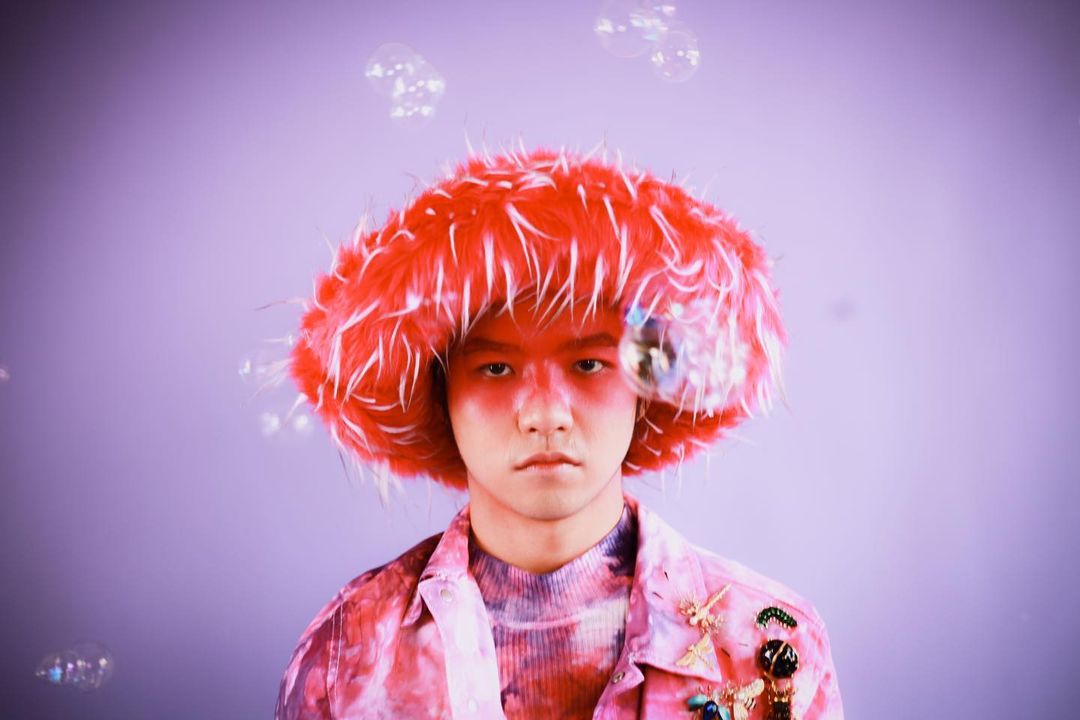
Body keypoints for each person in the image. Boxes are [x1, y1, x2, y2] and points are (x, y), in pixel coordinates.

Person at [274, 144, 844, 719]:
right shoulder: (349, 654)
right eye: (496, 368)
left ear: (645, 384)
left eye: (588, 364)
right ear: (440, 393)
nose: (545, 413)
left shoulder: (770, 649)